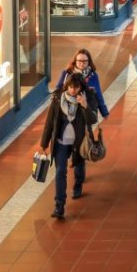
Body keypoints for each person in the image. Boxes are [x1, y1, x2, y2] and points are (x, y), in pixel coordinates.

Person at [39, 72, 99, 218]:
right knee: (60, 172)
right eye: (70, 87)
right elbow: (50, 122)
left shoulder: (88, 96)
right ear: (67, 86)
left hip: (79, 142)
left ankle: (78, 183)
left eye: (76, 87)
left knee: (78, 165)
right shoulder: (58, 98)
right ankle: (59, 205)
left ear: (80, 87)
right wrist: (44, 143)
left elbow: (93, 120)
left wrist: (84, 105)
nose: (73, 90)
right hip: (61, 142)